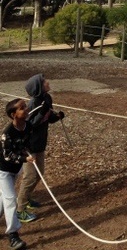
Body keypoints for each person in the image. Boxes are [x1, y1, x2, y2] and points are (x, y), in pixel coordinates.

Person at [17, 74, 64, 222]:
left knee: (39, 173)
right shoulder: (32, 104)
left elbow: (48, 118)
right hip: (28, 146)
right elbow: (29, 125)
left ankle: (27, 198)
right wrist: (42, 111)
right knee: (30, 177)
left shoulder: (47, 99)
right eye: (44, 82)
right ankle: (20, 210)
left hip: (40, 144)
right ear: (39, 87)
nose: (48, 82)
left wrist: (57, 117)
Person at [0, 98, 34, 250]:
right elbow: (8, 155)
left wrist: (26, 151)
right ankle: (13, 235)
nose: (26, 109)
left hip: (15, 169)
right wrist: (24, 158)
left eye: (25, 106)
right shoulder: (7, 133)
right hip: (3, 170)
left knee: (3, 197)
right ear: (14, 114)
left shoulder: (28, 126)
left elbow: (25, 143)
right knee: (10, 199)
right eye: (22, 108)